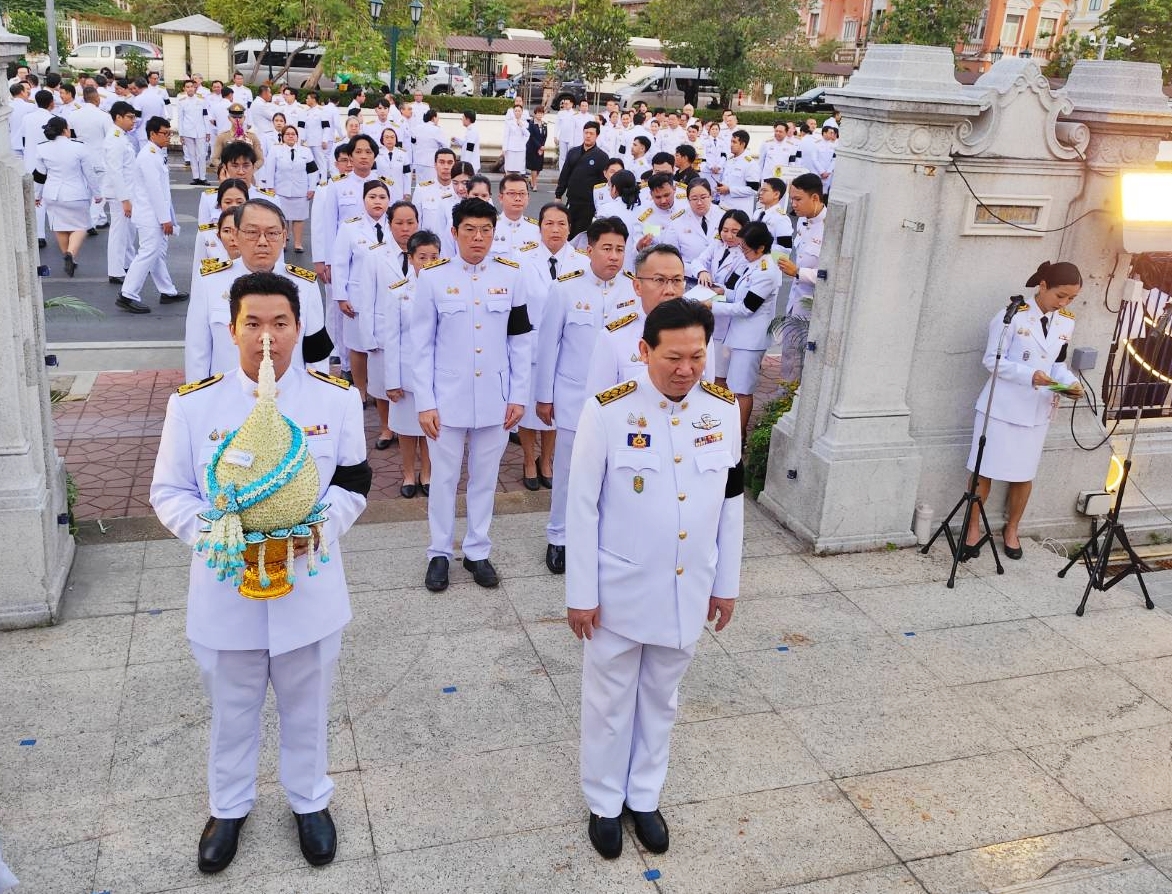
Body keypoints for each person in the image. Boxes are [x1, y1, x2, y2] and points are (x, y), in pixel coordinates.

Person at [151, 271, 370, 875]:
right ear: (232, 330)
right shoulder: (195, 404)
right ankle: (228, 807)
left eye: (280, 323)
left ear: (298, 328)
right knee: (232, 708)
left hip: (308, 587)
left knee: (308, 706)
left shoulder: (334, 399)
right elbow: (169, 492)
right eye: (253, 323)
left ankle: (310, 800)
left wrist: (315, 529)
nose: (266, 337)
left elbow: (353, 480)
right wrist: (221, 535)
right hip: (227, 591)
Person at [567, 297, 743, 860]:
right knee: (609, 701)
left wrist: (726, 582)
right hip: (618, 589)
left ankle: (644, 796)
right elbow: (581, 508)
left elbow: (730, 503)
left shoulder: (722, 412)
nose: (686, 369)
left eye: (697, 356)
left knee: (661, 699)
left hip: (686, 587)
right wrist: (581, 593)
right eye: (673, 357)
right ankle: (603, 802)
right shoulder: (607, 411)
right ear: (645, 351)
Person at [414, 198, 533, 592]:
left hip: (496, 398)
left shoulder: (512, 276)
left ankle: (478, 550)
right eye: (469, 229)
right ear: (454, 232)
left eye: (485, 230)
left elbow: (520, 341)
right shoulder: (433, 278)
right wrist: (425, 402)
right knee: (444, 480)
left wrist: (518, 395)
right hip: (446, 399)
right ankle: (439, 553)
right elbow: (421, 346)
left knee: (485, 478)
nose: (478, 237)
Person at [962, 261, 1083, 560]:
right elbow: (992, 360)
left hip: (1036, 411)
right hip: (1001, 407)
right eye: (1061, 295)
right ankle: (972, 527)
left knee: (1023, 475)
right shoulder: (1012, 317)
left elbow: (1057, 364)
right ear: (1043, 286)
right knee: (984, 471)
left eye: (1071, 298)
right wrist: (1029, 376)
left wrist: (1070, 383)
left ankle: (1012, 529)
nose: (1064, 303)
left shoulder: (1066, 322)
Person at [535, 217, 634, 574]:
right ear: (589, 249)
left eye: (620, 249)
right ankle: (558, 536)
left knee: (615, 472)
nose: (614, 256)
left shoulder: (634, 290)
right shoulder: (565, 288)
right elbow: (547, 346)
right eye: (606, 248)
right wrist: (544, 396)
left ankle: (605, 536)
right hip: (574, 397)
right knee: (568, 471)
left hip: (620, 402)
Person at [185, 199, 329, 381]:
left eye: (272, 233)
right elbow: (197, 352)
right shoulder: (209, 282)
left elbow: (317, 355)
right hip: (228, 394)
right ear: (235, 235)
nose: (262, 242)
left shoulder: (305, 285)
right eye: (252, 232)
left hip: (288, 394)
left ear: (284, 236)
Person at [516, 202, 590, 491]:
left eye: (561, 223)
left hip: (567, 348)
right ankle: (527, 459)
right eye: (549, 223)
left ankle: (546, 460)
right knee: (529, 407)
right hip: (531, 347)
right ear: (540, 227)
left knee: (555, 410)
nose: (555, 229)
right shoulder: (522, 260)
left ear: (570, 228)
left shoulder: (583, 263)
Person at [375, 227, 434, 497]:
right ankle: (409, 473)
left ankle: (427, 473)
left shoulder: (447, 289)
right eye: (422, 257)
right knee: (408, 430)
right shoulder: (399, 292)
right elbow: (392, 339)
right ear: (410, 258)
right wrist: (392, 381)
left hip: (434, 374)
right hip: (406, 373)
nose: (428, 262)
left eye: (434, 257)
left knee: (432, 428)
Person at [707, 221, 780, 439]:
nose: (743, 253)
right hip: (739, 336)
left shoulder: (766, 272)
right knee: (733, 385)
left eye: (746, 249)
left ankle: (738, 437)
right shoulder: (754, 263)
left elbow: (747, 307)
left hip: (750, 341)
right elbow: (739, 293)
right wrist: (722, 292)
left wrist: (712, 306)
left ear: (760, 248)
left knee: (742, 390)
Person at [331, 180, 394, 413]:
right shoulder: (350, 228)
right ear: (363, 200)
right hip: (357, 297)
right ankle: (360, 390)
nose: (377, 202)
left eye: (382, 197)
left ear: (389, 201)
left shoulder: (395, 225)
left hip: (388, 297)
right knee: (358, 346)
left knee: (382, 346)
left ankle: (382, 392)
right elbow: (340, 263)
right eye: (372, 197)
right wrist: (341, 296)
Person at [118, 116, 187, 314]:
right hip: (150, 215)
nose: (168, 137)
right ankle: (127, 294)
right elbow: (154, 191)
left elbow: (163, 192)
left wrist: (168, 217)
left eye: (169, 133)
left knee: (157, 254)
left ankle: (167, 291)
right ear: (152, 134)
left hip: (154, 213)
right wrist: (165, 219)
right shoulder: (148, 156)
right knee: (148, 253)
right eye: (165, 133)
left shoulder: (156, 153)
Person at [31, 116, 102, 277]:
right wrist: (97, 194)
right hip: (75, 194)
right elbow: (89, 174)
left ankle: (69, 257)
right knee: (81, 226)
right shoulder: (79, 147)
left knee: (60, 227)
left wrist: (36, 195)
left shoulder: (42, 148)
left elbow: (39, 175)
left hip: (52, 195)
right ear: (65, 130)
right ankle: (70, 254)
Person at [260, 124, 318, 253]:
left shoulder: (306, 151)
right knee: (282, 218)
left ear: (297, 137)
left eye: (293, 134)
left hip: (301, 191)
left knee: (299, 218)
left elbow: (313, 172)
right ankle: (283, 243)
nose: (291, 136)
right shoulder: (275, 150)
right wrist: (270, 187)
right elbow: (270, 170)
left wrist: (312, 188)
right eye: (287, 134)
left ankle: (298, 244)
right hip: (281, 190)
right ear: (282, 137)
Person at [778, 172, 826, 318]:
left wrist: (798, 272)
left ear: (815, 198)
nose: (793, 204)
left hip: (813, 308)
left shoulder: (830, 227)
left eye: (798, 199)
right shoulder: (803, 220)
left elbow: (830, 275)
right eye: (792, 199)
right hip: (794, 300)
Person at [103, 101, 138, 284]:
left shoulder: (121, 136)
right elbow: (115, 171)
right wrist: (124, 199)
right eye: (130, 117)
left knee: (128, 231)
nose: (134, 121)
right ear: (118, 117)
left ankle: (128, 263)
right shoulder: (115, 139)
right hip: (119, 194)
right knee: (119, 232)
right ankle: (115, 270)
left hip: (127, 191)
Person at [555, 121, 608, 237]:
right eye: (586, 133)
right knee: (567, 232)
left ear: (597, 135)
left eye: (591, 133)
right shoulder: (573, 152)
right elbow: (565, 174)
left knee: (581, 235)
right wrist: (558, 195)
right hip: (572, 200)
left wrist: (601, 204)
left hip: (588, 204)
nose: (588, 136)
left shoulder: (602, 156)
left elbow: (603, 183)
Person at [492, 174, 539, 259]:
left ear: (528, 198)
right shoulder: (490, 227)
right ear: (501, 198)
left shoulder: (538, 229)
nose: (518, 198)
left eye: (522, 193)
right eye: (512, 193)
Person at [177, 79, 211, 185]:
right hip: (187, 131)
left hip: (200, 130)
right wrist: (181, 134)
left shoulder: (202, 99)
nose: (190, 89)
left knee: (202, 154)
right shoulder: (181, 101)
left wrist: (208, 131)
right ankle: (195, 177)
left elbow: (205, 116)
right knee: (192, 155)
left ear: (194, 87)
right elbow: (180, 119)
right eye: (187, 87)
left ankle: (203, 177)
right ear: (184, 88)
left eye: (191, 86)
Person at [502, 104, 529, 174]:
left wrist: (521, 126)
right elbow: (506, 136)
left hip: (520, 149)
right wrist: (504, 148)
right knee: (509, 168)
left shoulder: (525, 123)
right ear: (513, 112)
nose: (517, 112)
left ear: (522, 112)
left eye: (519, 111)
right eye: (516, 111)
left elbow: (527, 135)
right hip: (510, 149)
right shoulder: (509, 123)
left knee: (519, 169)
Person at [526, 105, 548, 190]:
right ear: (535, 114)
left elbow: (545, 136)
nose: (539, 115)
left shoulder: (544, 124)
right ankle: (534, 185)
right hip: (532, 148)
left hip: (541, 148)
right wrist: (539, 147)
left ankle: (531, 180)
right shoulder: (531, 124)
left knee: (539, 168)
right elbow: (532, 137)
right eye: (538, 113)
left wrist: (542, 146)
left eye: (541, 113)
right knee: (534, 167)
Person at [456, 108, 481, 172]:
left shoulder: (472, 131)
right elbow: (464, 144)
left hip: (471, 165)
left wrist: (465, 164)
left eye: (463, 117)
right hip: (469, 164)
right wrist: (456, 140)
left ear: (468, 119)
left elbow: (470, 148)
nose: (462, 119)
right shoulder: (469, 130)